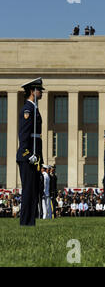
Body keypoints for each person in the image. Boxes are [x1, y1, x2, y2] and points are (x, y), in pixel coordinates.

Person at [16, 78, 45, 226]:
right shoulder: (28, 109)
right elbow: (24, 135)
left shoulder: (34, 108)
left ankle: (30, 221)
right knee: (28, 189)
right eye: (39, 90)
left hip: (34, 154)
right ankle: (25, 222)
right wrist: (28, 154)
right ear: (33, 92)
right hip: (28, 155)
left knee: (33, 189)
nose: (41, 93)